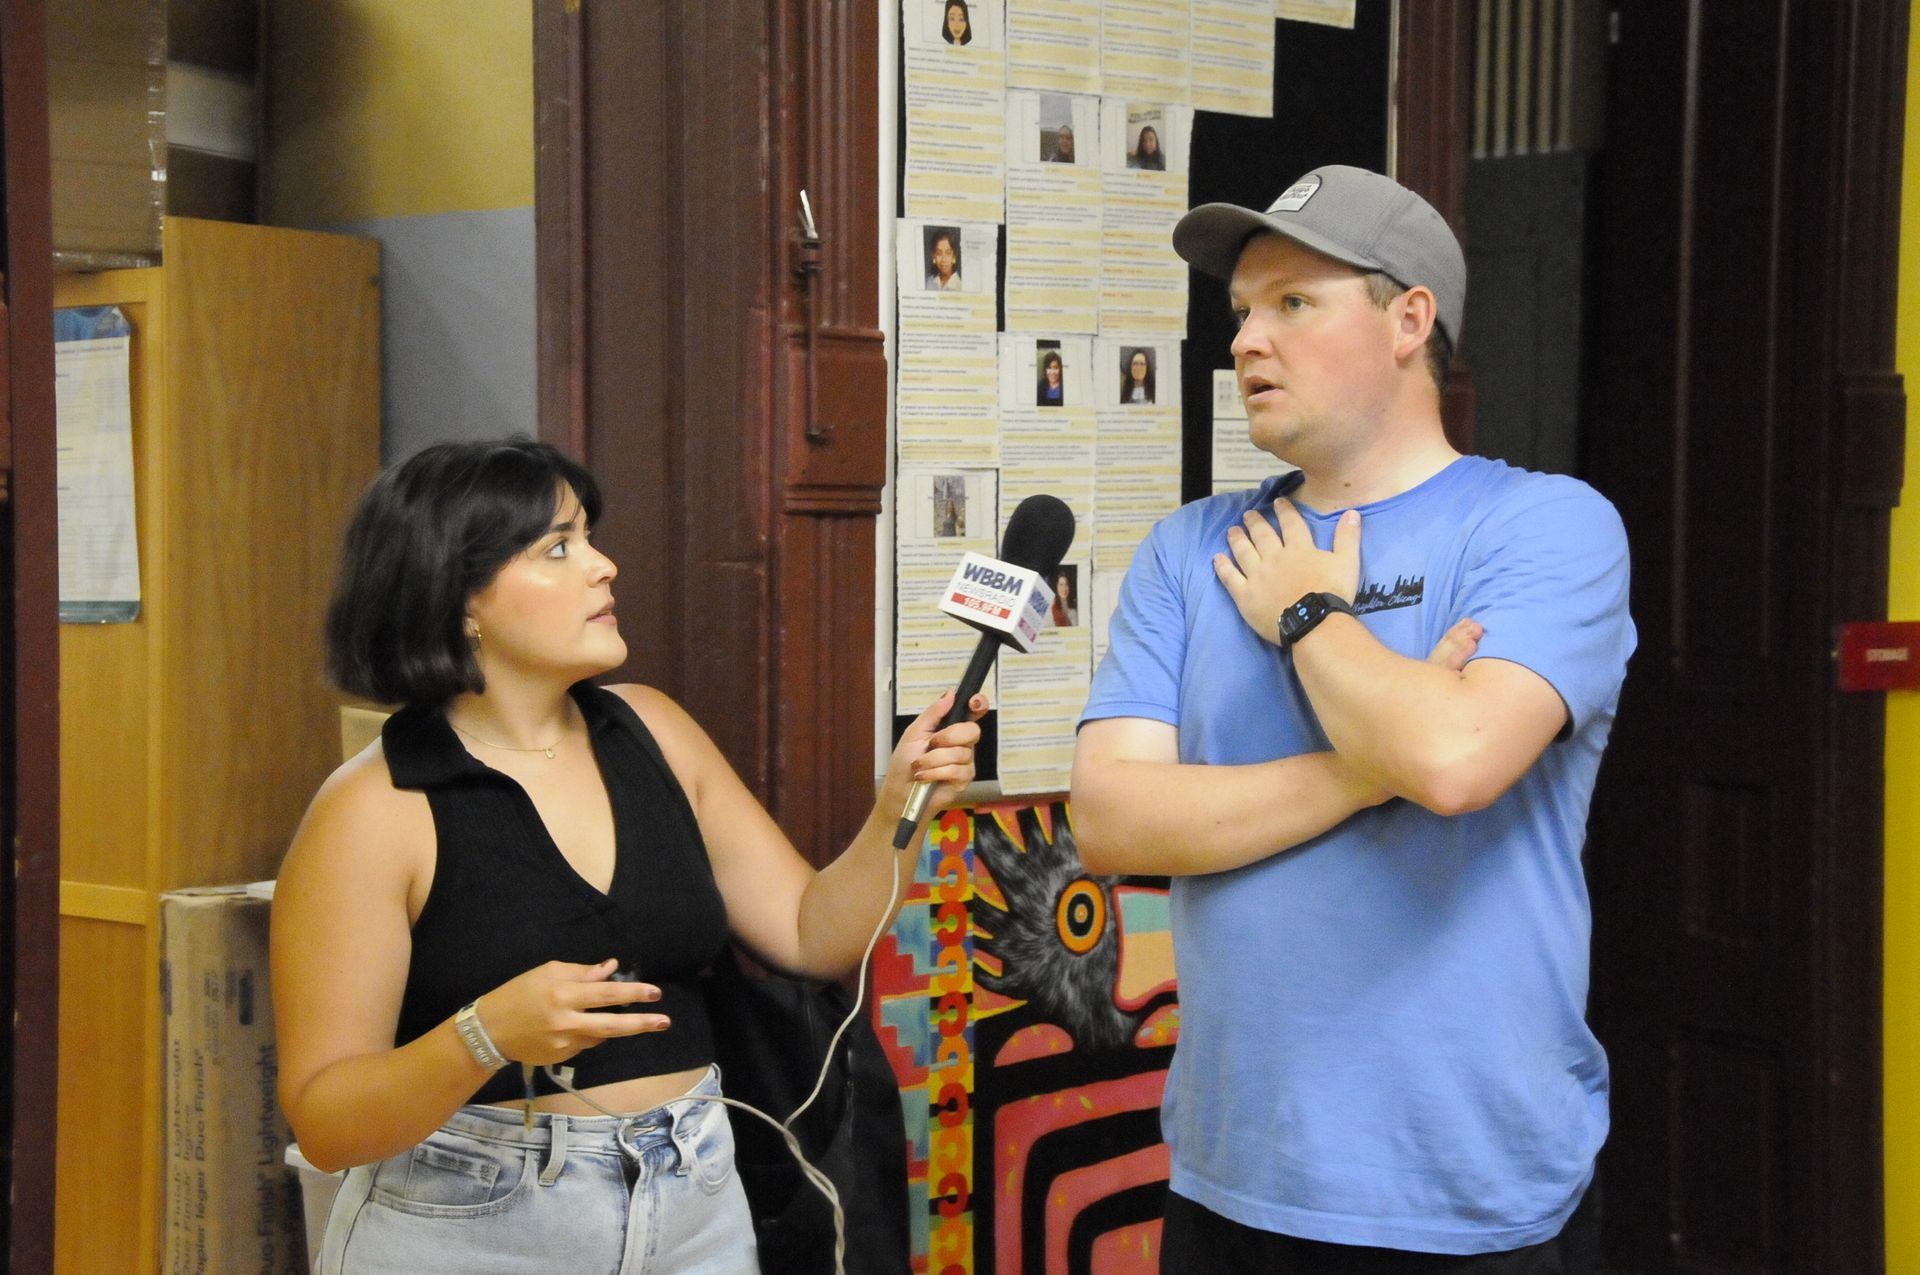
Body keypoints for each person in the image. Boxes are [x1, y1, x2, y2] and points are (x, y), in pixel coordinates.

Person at [1071, 165, 1632, 1270]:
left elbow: (1457, 759)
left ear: (1410, 321)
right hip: (1234, 1177)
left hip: (1468, 1189)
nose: (1246, 341)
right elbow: (1113, 819)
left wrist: (1310, 616)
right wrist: (1373, 765)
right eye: (1242, 311)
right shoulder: (1191, 549)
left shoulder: (1546, 526)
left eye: (1293, 302)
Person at [274, 438, 983, 1273]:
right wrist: (484, 1035)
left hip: (698, 1202)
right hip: (473, 1220)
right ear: (460, 598)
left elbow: (811, 931)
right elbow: (324, 1121)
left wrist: (901, 805)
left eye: (589, 537)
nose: (604, 566)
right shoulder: (372, 809)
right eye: (558, 548)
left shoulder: (655, 729)